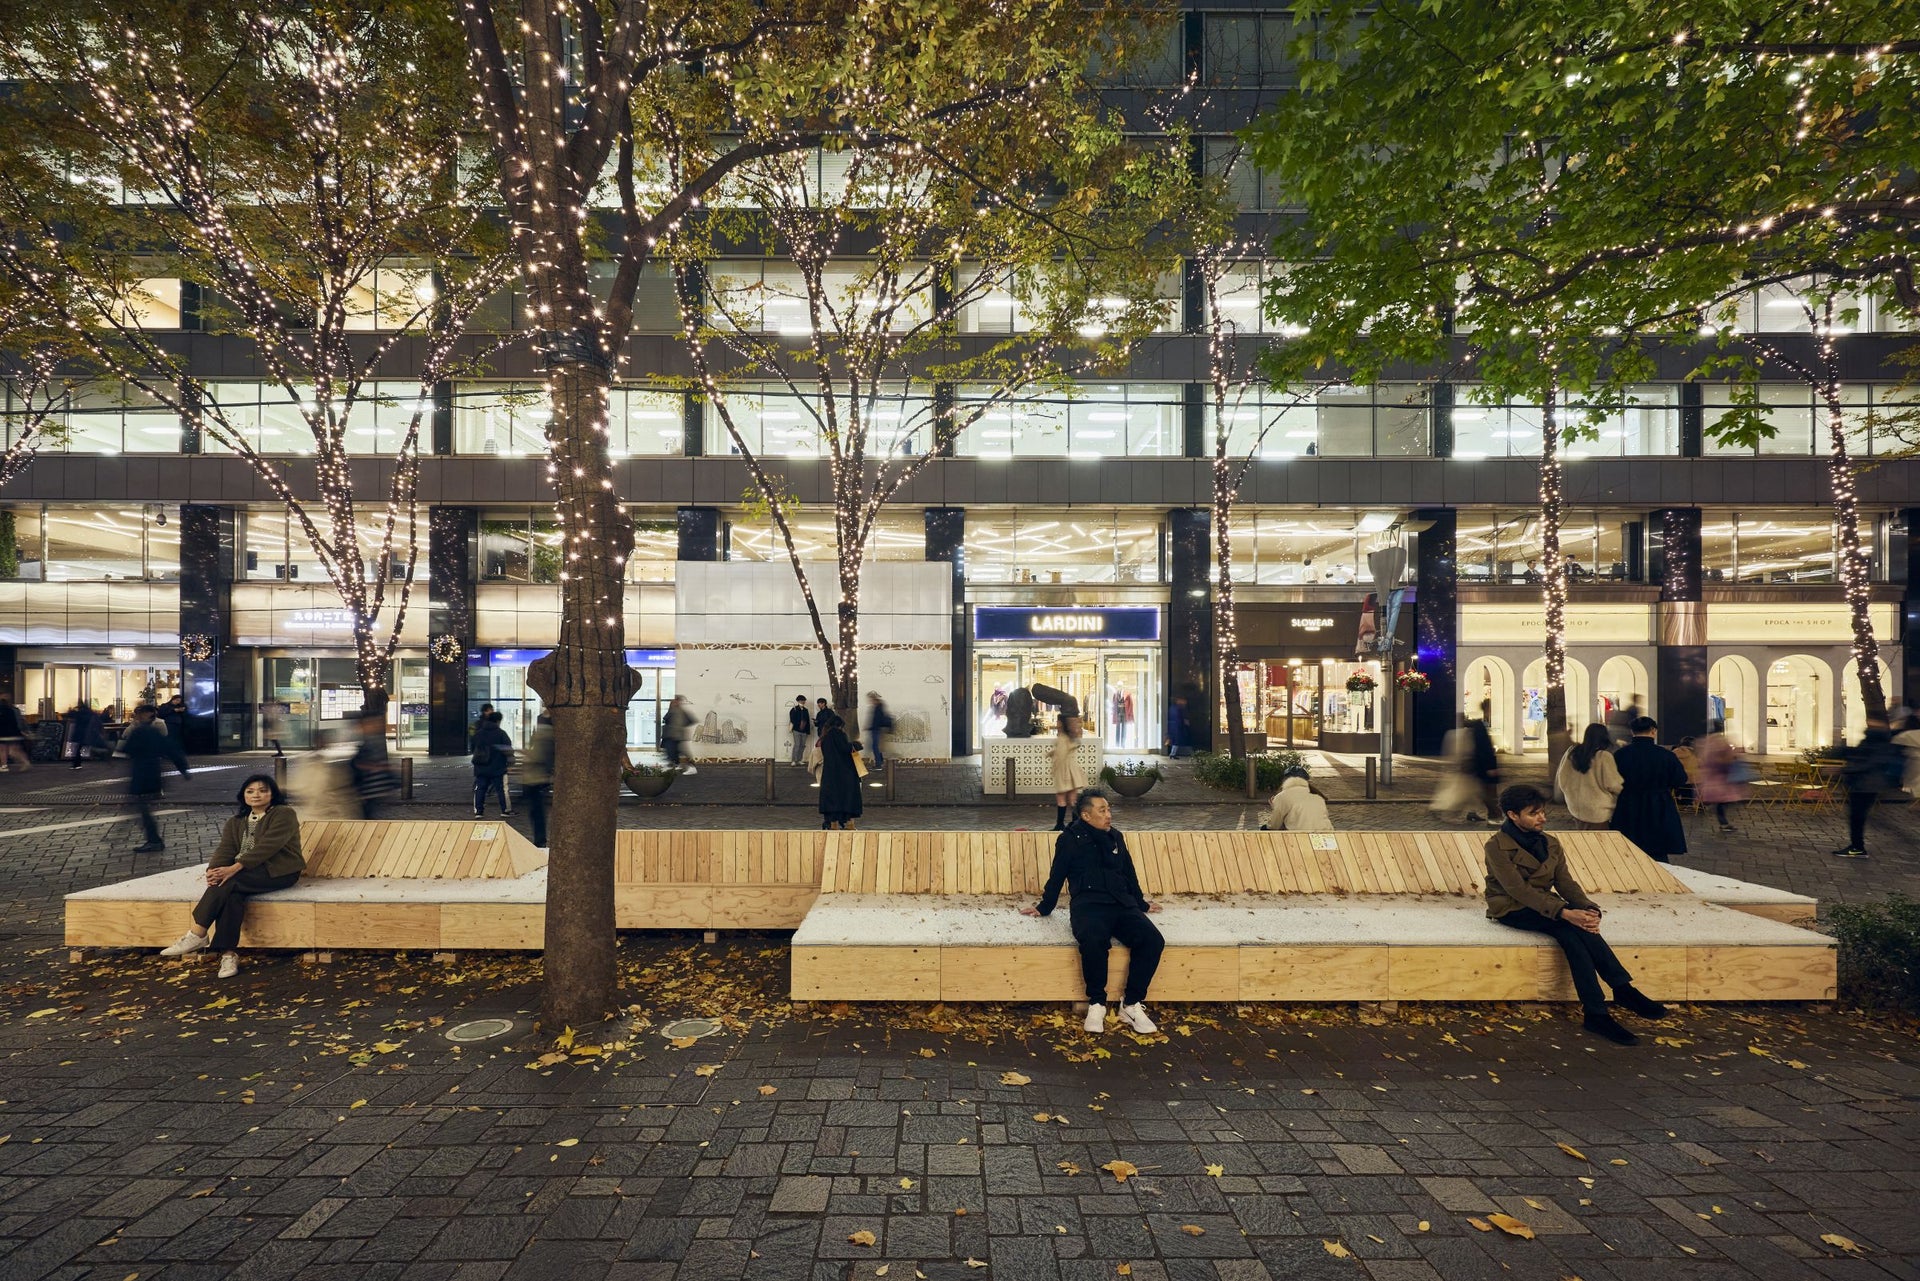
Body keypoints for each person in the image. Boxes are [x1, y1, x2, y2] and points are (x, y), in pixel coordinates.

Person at [1484, 784, 1669, 1045]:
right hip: (1510, 906)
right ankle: (1606, 1005)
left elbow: (1565, 883)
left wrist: (1587, 907)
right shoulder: (1496, 846)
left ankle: (1614, 998)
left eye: (1542, 812)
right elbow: (1518, 890)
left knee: (1578, 930)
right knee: (1568, 930)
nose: (1542, 818)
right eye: (1533, 813)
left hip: (1546, 904)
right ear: (1513, 815)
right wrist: (1565, 913)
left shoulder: (1550, 843)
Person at [1021, 790, 1164, 1036]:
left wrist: (1140, 903)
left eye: (1108, 809)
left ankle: (1130, 1004)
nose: (1108, 815)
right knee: (1094, 940)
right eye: (1102, 811)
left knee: (1152, 940)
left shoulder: (1116, 837)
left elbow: (1129, 873)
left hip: (1122, 904)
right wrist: (1044, 907)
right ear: (1086, 816)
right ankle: (1096, 1003)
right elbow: (1057, 875)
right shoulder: (1070, 839)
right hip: (1089, 906)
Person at [158, 774, 305, 979]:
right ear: (243, 795)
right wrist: (214, 871)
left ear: (273, 794)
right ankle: (228, 954)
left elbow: (268, 847)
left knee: (231, 881)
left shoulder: (283, 814)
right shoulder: (236, 822)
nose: (256, 795)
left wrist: (233, 869)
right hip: (245, 874)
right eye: (250, 791)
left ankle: (198, 933)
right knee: (232, 893)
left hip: (280, 871)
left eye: (263, 790)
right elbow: (224, 850)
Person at [1610, 716, 1688, 862]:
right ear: (1653, 731)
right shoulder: (1666, 755)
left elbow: (1613, 779)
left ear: (1632, 732)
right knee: (1657, 849)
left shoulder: (1621, 754)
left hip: (1629, 803)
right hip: (1659, 804)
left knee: (1629, 847)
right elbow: (1680, 779)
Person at [122, 704, 190, 853]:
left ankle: (154, 840)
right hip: (153, 772)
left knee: (142, 807)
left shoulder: (139, 731)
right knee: (142, 807)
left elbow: (126, 749)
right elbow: (172, 751)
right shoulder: (154, 731)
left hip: (141, 773)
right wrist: (183, 769)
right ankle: (152, 839)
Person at [1833, 715, 1901, 859]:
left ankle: (1857, 847)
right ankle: (1856, 846)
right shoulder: (1871, 741)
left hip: (1866, 785)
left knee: (1857, 817)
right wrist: (1843, 751)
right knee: (1856, 816)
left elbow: (1868, 764)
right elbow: (1859, 757)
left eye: (1873, 722)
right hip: (1862, 784)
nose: (1870, 723)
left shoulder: (1879, 743)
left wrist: (1846, 770)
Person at [1555, 723, 1623, 830]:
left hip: (1576, 808)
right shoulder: (1603, 756)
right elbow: (1613, 784)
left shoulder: (1572, 752)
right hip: (1599, 811)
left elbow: (1562, 778)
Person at [1694, 721, 1751, 834]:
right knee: (1723, 801)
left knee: (1720, 801)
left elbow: (1702, 759)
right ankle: (1723, 822)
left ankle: (1719, 817)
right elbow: (1727, 759)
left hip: (1710, 777)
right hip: (1721, 779)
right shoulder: (1721, 742)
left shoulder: (1705, 742)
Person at [816, 712, 864, 831]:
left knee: (833, 800)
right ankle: (850, 825)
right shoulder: (838, 734)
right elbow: (845, 748)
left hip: (829, 773)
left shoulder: (825, 737)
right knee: (848, 798)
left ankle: (834, 825)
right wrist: (856, 744)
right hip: (844, 772)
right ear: (839, 726)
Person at [348, 710, 396, 820]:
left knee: (368, 815)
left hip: (371, 789)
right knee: (369, 815)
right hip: (373, 788)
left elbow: (360, 763)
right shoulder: (372, 741)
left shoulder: (372, 742)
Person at [520, 711, 554, 849]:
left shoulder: (543, 735)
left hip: (535, 778)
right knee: (537, 811)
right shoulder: (548, 735)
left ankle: (540, 840)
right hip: (538, 778)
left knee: (537, 811)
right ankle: (540, 839)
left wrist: (527, 755)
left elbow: (538, 756)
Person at [1464, 700, 1501, 824]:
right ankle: (1494, 815)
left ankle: (1474, 812)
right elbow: (1483, 747)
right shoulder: (1480, 725)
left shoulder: (1480, 724)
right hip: (1485, 766)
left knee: (1482, 792)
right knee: (1488, 793)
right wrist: (1490, 766)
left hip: (1483, 765)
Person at [471, 710, 514, 817]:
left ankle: (479, 811)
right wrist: (510, 763)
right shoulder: (501, 734)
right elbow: (508, 750)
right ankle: (505, 810)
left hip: (481, 767)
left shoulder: (479, 733)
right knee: (501, 790)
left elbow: (472, 748)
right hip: (497, 767)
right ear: (498, 721)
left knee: (480, 789)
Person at [1264, 765, 1332, 831]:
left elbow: (1274, 825)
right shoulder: (1318, 798)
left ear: (1285, 780)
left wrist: (1275, 807)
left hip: (1300, 837)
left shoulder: (1282, 796)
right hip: (1327, 836)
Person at [1050, 714, 1089, 831]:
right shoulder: (1071, 737)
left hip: (1064, 769)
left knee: (1061, 797)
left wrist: (1054, 768)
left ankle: (1060, 824)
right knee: (1073, 799)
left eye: (1058, 722)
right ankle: (1075, 824)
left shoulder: (1062, 738)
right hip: (1073, 768)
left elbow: (1061, 755)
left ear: (1061, 724)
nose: (1056, 724)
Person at [662, 695, 697, 775]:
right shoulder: (677, 710)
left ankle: (690, 767)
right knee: (674, 752)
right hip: (674, 735)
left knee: (675, 751)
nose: (673, 702)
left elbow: (666, 719)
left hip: (673, 735)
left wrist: (681, 727)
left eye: (674, 700)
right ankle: (677, 766)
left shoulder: (676, 710)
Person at [63, 699, 98, 770]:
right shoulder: (90, 713)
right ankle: (77, 763)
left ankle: (76, 764)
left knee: (76, 749)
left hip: (79, 733)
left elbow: (70, 715)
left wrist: (72, 709)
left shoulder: (79, 713)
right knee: (79, 748)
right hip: (86, 732)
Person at [0, 695, 30, 771]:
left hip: (4, 733)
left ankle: (4, 765)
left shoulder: (3, 710)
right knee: (13, 750)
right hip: (14, 732)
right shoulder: (14, 710)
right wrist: (24, 731)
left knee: (3, 749)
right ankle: (25, 762)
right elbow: (20, 721)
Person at [865, 691, 894, 770]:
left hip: (876, 730)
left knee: (875, 747)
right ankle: (880, 762)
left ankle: (878, 764)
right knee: (877, 747)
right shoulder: (878, 706)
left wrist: (870, 727)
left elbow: (877, 720)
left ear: (874, 698)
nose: (870, 701)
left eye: (871, 699)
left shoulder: (878, 707)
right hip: (877, 729)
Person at [787, 696, 813, 766]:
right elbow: (792, 719)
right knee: (797, 745)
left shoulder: (805, 710)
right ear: (798, 701)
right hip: (796, 730)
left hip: (804, 731)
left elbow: (807, 721)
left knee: (802, 745)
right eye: (802, 700)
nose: (803, 702)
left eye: (804, 700)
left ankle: (799, 759)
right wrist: (799, 724)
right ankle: (794, 760)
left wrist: (808, 731)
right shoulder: (794, 709)